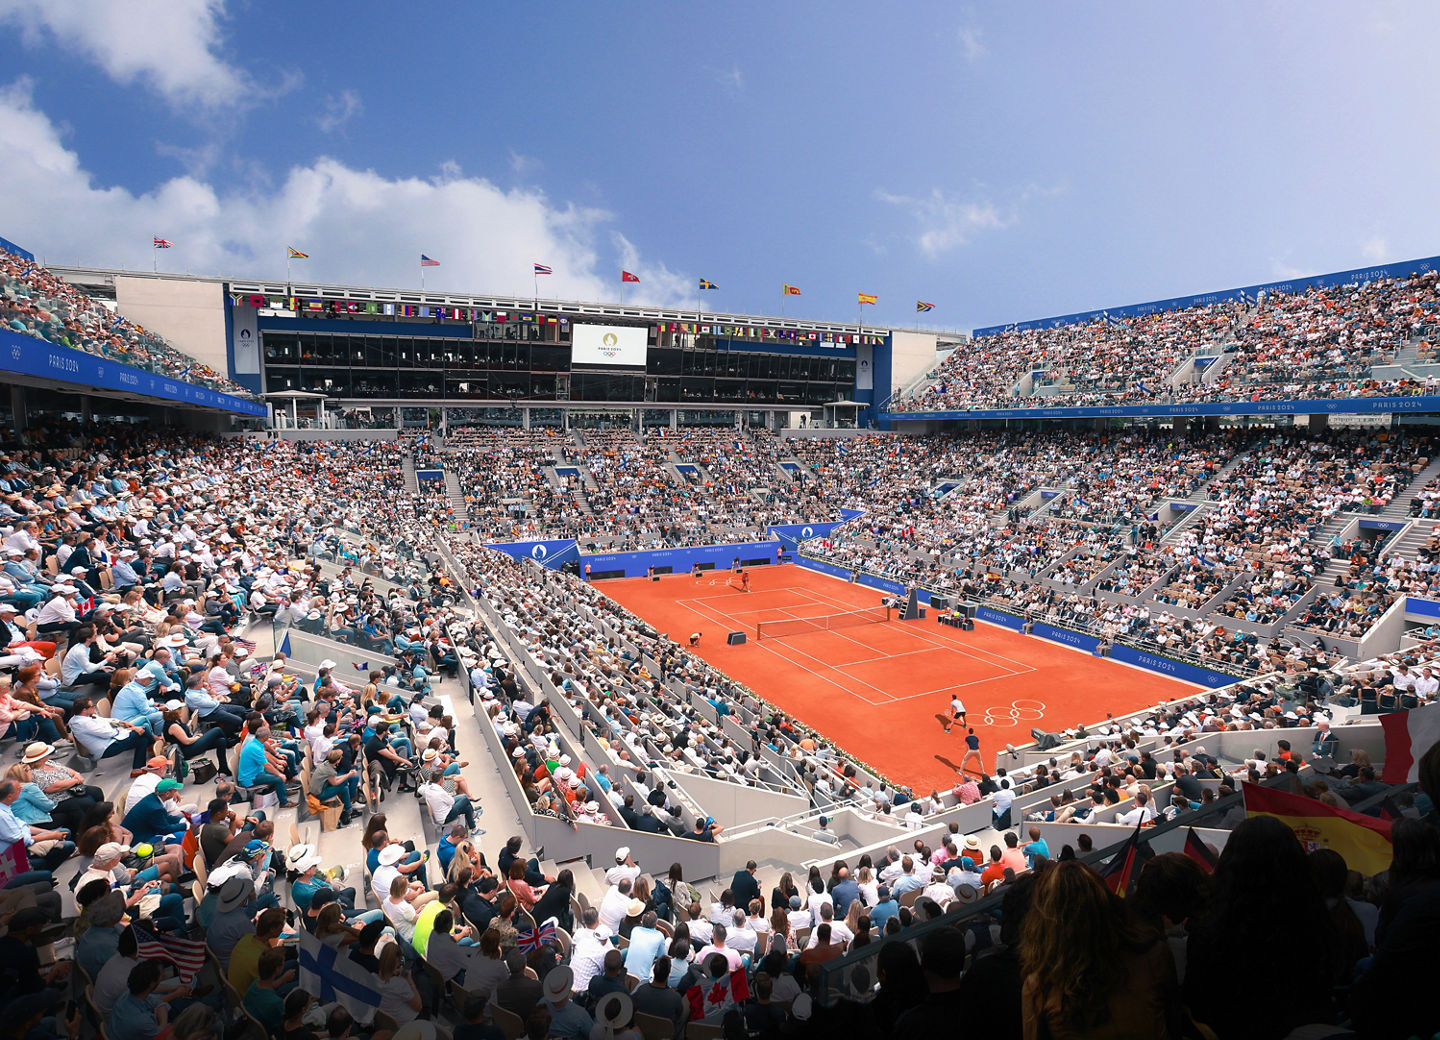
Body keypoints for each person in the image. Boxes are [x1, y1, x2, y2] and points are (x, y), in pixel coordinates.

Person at [1020, 859, 1183, 1039]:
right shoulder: (1155, 956)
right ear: (1108, 902)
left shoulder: (1040, 987)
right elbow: (1175, 1024)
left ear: (1045, 920)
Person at [631, 955, 688, 1039]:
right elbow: (679, 1016)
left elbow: (632, 1008)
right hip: (665, 1036)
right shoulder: (675, 997)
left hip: (643, 1033)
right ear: (668, 975)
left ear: (653, 971)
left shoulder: (641, 990)